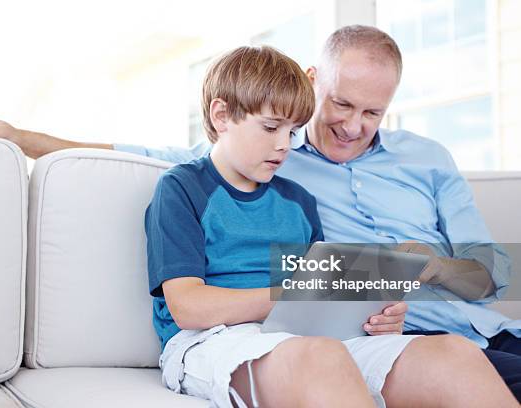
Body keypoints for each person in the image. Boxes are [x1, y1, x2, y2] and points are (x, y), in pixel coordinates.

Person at [0, 26, 521, 401]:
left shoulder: (404, 166)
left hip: (463, 331)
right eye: (341, 103)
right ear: (316, 84)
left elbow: (493, 276)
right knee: (319, 356)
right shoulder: (217, 175)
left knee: (455, 356)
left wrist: (426, 273)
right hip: (259, 335)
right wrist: (22, 137)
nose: (353, 125)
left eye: (374, 112)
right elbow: (153, 162)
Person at [144, 44, 516, 407]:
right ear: (221, 116)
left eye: (291, 132)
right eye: (271, 128)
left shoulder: (299, 201)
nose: (284, 146)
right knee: (320, 357)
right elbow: (189, 307)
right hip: (212, 339)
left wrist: (376, 315)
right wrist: (293, 293)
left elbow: (323, 298)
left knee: (454, 354)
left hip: (304, 335)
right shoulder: (182, 187)